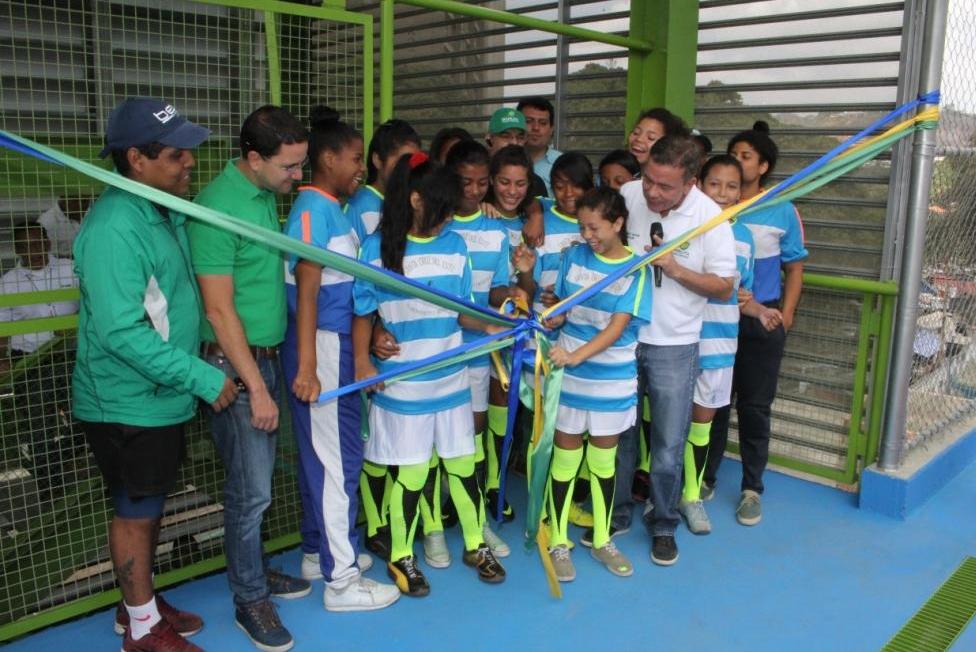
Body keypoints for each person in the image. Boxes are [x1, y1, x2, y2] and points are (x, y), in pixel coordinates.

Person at [73, 96, 237, 652]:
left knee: (148, 504)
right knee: (136, 511)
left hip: (157, 395)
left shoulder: (156, 205)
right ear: (136, 159)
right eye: (175, 154)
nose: (189, 162)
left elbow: (163, 302)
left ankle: (135, 603)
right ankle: (143, 628)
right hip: (127, 400)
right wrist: (203, 377)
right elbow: (122, 332)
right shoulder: (116, 226)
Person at [353, 152, 506, 597]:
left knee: (463, 466)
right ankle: (402, 556)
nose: (449, 220)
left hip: (451, 379)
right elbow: (363, 309)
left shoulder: (454, 245)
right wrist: (364, 358)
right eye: (442, 210)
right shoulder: (376, 248)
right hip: (403, 383)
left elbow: (464, 315)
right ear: (416, 200)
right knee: (414, 474)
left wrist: (500, 323)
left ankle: (476, 545)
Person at [187, 104, 311, 652]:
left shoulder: (264, 195)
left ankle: (256, 571)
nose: (297, 176)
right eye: (289, 167)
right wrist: (256, 386)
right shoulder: (217, 208)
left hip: (266, 356)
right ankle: (249, 597)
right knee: (251, 489)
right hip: (234, 367)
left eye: (301, 164)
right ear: (254, 158)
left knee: (255, 483)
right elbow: (218, 310)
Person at [280, 105, 401, 615]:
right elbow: (307, 290)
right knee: (336, 463)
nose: (359, 167)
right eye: (354, 157)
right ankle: (342, 581)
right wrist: (308, 367)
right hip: (323, 347)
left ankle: (319, 551)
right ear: (327, 158)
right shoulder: (313, 209)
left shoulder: (332, 208)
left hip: (333, 346)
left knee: (331, 456)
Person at [610, 135, 736, 566]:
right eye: (649, 181)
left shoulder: (711, 217)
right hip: (623, 337)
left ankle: (663, 523)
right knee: (621, 433)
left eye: (665, 187)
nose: (652, 193)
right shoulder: (628, 194)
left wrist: (676, 268)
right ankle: (617, 511)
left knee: (667, 444)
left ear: (691, 182)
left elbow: (724, 287)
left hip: (675, 346)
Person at [528, 187, 651, 581]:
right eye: (582, 227)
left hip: (610, 381)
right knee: (564, 460)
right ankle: (559, 540)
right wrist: (552, 319)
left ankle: (601, 539)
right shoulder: (572, 257)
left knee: (602, 462)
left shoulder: (637, 269)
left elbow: (618, 328)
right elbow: (561, 310)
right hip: (569, 377)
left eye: (594, 227)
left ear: (618, 223)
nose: (587, 235)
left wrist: (575, 355)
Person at [703, 121, 808, 525]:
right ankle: (704, 479)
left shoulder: (782, 209)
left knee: (754, 406)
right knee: (712, 403)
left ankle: (751, 488)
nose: (738, 163)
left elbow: (795, 268)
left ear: (763, 166)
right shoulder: (709, 211)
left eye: (746, 156)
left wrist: (787, 315)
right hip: (716, 319)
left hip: (760, 318)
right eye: (735, 154)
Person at [678, 154, 781, 535]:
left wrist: (757, 311)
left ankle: (691, 495)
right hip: (679, 341)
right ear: (698, 186)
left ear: (742, 192)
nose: (723, 193)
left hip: (720, 344)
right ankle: (665, 490)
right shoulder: (681, 229)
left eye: (732, 186)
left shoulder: (745, 238)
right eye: (715, 184)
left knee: (702, 425)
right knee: (668, 423)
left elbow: (740, 294)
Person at [0, 223, 78, 369]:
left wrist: (71, 322)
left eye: (37, 244)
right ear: (17, 250)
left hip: (75, 354)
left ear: (47, 243)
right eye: (25, 246)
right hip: (29, 359)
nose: (32, 251)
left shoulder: (72, 269)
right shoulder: (6, 283)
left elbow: (95, 301)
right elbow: (1, 327)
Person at [347, 118, 421, 243]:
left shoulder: (413, 201)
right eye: (402, 162)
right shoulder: (360, 206)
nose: (408, 170)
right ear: (377, 160)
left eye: (414, 164)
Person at [485, 108, 548, 200]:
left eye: (520, 137)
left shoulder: (535, 182)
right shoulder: (477, 178)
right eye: (506, 136)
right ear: (490, 138)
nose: (514, 142)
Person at [517, 96, 562, 196]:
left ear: (551, 129)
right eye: (528, 121)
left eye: (543, 123)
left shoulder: (563, 163)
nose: (536, 128)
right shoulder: (504, 160)